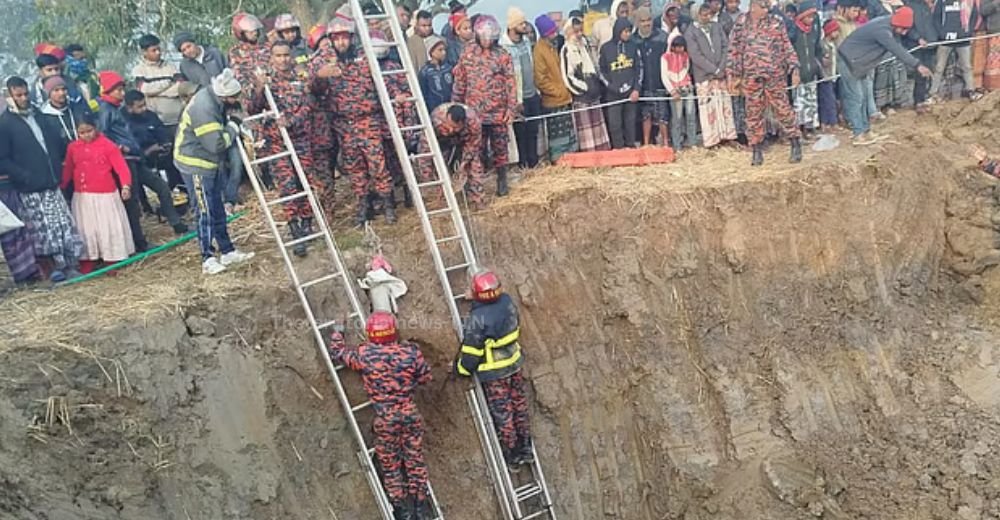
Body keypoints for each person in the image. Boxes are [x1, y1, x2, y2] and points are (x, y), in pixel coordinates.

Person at [328, 312, 434, 520]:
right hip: (409, 412)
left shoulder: (365, 355)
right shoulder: (410, 353)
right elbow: (425, 377)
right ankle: (421, 507)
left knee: (390, 463)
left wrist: (339, 329)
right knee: (414, 458)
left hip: (386, 417)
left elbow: (338, 352)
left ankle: (402, 511)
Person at [0, 77, 83, 282]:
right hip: (30, 188)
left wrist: (58, 168)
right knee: (42, 230)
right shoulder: (5, 124)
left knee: (63, 224)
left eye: (25, 93)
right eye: (18, 95)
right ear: (9, 97)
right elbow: (3, 159)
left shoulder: (39, 115)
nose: (23, 98)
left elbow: (54, 144)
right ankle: (52, 269)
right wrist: (24, 176)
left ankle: (70, 264)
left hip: (51, 181)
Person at [173, 69, 255, 275]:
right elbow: (216, 144)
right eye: (235, 97)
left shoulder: (213, 98)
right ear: (225, 96)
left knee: (217, 208)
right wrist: (233, 127)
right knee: (205, 211)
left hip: (210, 164)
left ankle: (227, 250)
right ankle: (207, 258)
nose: (237, 100)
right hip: (196, 165)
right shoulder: (204, 109)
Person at [250, 40, 326, 252]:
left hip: (301, 140)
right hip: (277, 144)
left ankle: (307, 223)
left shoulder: (301, 78)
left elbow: (309, 105)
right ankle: (295, 229)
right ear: (272, 58)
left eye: (286, 55)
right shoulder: (266, 81)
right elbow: (253, 108)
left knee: (305, 183)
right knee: (287, 186)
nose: (283, 59)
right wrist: (259, 88)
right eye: (278, 55)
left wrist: (290, 121)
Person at [454, 269, 533, 468]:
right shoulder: (507, 302)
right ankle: (526, 448)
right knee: (519, 406)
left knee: (503, 414)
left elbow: (472, 352)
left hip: (495, 373)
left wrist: (461, 370)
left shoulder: (478, 319)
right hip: (514, 364)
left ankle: (513, 455)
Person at [96, 71, 187, 238]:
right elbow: (102, 136)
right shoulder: (105, 110)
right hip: (125, 160)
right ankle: (139, 241)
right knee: (133, 202)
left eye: (122, 89)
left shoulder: (115, 108)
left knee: (162, 187)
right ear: (108, 91)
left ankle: (176, 223)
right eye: (118, 90)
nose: (122, 93)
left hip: (136, 158)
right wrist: (120, 148)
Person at [326, 19, 395, 226]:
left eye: (344, 38)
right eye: (336, 39)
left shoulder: (365, 60)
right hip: (344, 126)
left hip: (367, 122)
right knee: (354, 168)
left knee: (378, 164)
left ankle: (388, 204)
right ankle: (363, 206)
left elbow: (384, 87)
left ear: (351, 39)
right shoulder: (327, 65)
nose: (341, 43)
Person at [838, 6, 931, 143]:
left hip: (861, 62)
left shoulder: (889, 24)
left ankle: (866, 130)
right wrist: (917, 65)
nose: (904, 33)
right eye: (903, 29)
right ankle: (858, 133)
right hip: (849, 61)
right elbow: (897, 49)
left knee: (864, 97)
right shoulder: (882, 30)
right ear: (897, 24)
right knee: (856, 98)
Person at [726, 0, 803, 165]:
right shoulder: (741, 23)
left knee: (783, 110)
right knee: (753, 115)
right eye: (763, 6)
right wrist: (732, 74)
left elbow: (787, 46)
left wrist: (795, 68)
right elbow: (734, 50)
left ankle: (795, 142)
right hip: (751, 76)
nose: (766, 10)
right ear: (753, 6)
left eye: (768, 7)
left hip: (774, 75)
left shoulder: (776, 22)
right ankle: (756, 150)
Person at [60, 116, 135, 273]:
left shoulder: (108, 146)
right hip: (82, 196)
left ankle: (111, 258)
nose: (86, 135)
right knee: (86, 229)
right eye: (82, 133)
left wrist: (125, 186)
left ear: (96, 128)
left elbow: (121, 168)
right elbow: (68, 169)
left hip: (105, 195)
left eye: (89, 131)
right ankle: (88, 259)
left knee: (107, 227)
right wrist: (62, 186)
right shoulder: (73, 148)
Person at [453, 15, 516, 198]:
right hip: (474, 113)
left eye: (491, 37)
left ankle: (502, 180)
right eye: (484, 37)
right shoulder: (467, 53)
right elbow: (460, 81)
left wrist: (511, 109)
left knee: (500, 148)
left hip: (498, 112)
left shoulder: (503, 55)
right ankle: (473, 186)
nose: (488, 41)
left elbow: (511, 82)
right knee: (474, 150)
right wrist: (456, 105)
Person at [686, 3, 737, 148]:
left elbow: (726, 46)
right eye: (704, 15)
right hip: (704, 76)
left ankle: (728, 137)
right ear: (696, 15)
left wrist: (721, 67)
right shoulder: (690, 32)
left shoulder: (717, 27)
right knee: (708, 109)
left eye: (709, 14)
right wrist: (714, 70)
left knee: (724, 106)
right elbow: (696, 56)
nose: (707, 17)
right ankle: (712, 141)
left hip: (721, 74)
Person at [561, 17, 611, 152]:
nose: (579, 34)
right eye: (576, 31)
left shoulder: (586, 44)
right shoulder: (567, 49)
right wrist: (584, 88)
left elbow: (594, 64)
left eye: (581, 31)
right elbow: (568, 76)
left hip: (594, 93)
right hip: (581, 97)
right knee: (587, 133)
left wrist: (597, 83)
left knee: (598, 130)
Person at [533, 14, 578, 162]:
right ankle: (559, 161)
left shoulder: (553, 46)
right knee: (558, 139)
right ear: (545, 34)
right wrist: (558, 92)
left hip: (563, 98)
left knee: (568, 135)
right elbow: (540, 80)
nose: (555, 34)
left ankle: (571, 160)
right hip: (553, 102)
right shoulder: (539, 51)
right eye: (552, 32)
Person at [502, 7, 542, 169]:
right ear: (512, 26)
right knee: (521, 133)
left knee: (533, 131)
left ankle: (534, 163)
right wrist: (513, 100)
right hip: (518, 98)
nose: (525, 26)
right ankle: (523, 165)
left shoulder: (526, 42)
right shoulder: (504, 47)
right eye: (521, 23)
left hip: (532, 93)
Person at [123, 90, 184, 192]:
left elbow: (161, 130)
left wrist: (166, 144)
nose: (144, 108)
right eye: (140, 107)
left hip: (159, 156)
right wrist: (149, 150)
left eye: (144, 105)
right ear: (129, 108)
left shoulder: (150, 115)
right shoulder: (124, 123)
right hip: (139, 161)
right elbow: (132, 148)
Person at [600, 17, 642, 149]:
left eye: (629, 31)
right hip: (613, 94)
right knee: (615, 124)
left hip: (631, 93)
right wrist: (612, 87)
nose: (628, 34)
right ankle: (618, 149)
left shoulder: (633, 46)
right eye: (625, 31)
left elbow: (639, 68)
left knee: (630, 123)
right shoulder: (606, 48)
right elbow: (601, 71)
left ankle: (630, 147)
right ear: (618, 31)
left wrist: (636, 89)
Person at [787, 0, 826, 133]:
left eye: (812, 17)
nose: (811, 19)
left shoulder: (813, 31)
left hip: (811, 72)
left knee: (811, 101)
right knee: (799, 102)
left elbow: (817, 49)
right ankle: (800, 128)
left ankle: (811, 126)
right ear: (801, 16)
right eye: (808, 17)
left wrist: (818, 64)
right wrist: (793, 70)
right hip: (799, 74)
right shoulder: (794, 32)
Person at [930, 0, 981, 101]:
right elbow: (936, 17)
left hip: (963, 40)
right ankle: (933, 93)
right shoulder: (942, 1)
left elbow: (974, 16)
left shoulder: (969, 1)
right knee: (939, 67)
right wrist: (942, 34)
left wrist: (968, 32)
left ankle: (970, 91)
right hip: (945, 40)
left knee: (967, 67)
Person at [635, 7, 671, 147]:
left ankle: (666, 144)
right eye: (643, 21)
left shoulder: (662, 37)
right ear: (637, 22)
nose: (647, 23)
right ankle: (646, 144)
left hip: (660, 84)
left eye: (649, 20)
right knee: (646, 116)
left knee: (663, 116)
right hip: (643, 86)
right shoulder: (633, 40)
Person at [133, 34, 186, 129]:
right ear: (144, 52)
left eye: (159, 49)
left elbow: (181, 86)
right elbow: (144, 89)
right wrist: (168, 83)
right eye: (154, 50)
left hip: (179, 120)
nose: (158, 52)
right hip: (156, 123)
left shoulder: (171, 67)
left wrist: (157, 93)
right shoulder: (139, 70)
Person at [38, 76, 88, 161]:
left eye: (64, 89)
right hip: (62, 160)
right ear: (49, 94)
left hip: (85, 155)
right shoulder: (44, 116)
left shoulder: (77, 108)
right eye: (56, 90)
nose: (61, 93)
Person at [662, 37, 698, 150]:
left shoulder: (686, 56)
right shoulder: (665, 57)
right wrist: (672, 91)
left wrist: (684, 84)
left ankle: (692, 142)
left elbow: (685, 70)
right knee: (677, 119)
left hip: (687, 89)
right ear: (672, 47)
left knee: (691, 116)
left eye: (682, 47)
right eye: (677, 47)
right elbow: (664, 76)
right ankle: (677, 145)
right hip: (675, 91)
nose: (680, 49)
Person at [902, 0, 938, 111]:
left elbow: (932, 24)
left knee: (928, 72)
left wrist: (934, 39)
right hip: (916, 46)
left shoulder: (926, 6)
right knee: (918, 74)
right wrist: (918, 38)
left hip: (930, 45)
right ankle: (917, 101)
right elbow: (907, 28)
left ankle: (924, 98)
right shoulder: (909, 6)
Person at [818, 20, 841, 127]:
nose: (837, 33)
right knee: (828, 100)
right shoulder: (823, 45)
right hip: (825, 77)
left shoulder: (834, 45)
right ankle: (831, 122)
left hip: (833, 75)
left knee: (832, 99)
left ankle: (828, 122)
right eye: (835, 31)